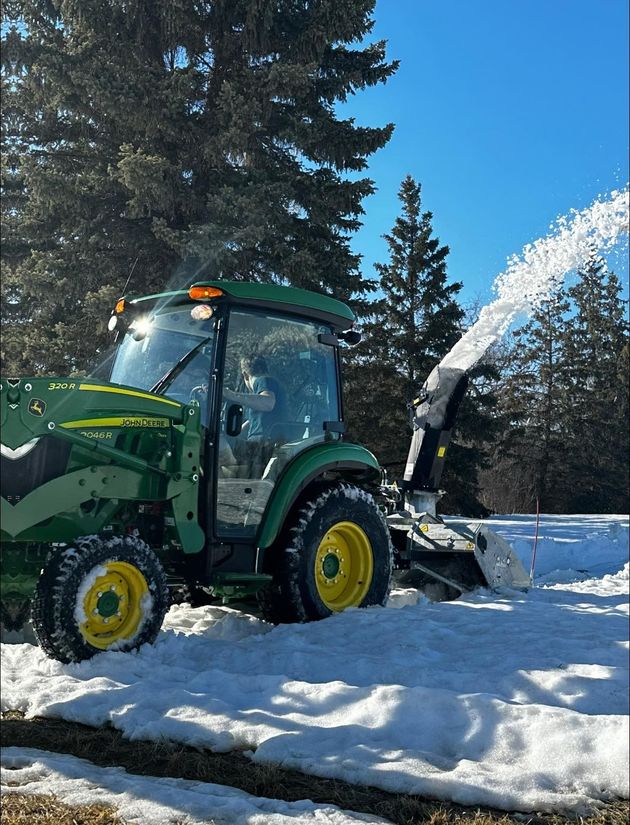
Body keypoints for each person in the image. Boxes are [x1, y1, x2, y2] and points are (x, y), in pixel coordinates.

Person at [222, 355, 288, 476]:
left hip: (264, 445)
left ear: (245, 375)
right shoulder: (257, 397)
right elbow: (251, 423)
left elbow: (268, 402)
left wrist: (230, 394)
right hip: (261, 443)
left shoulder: (264, 380)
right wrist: (230, 437)